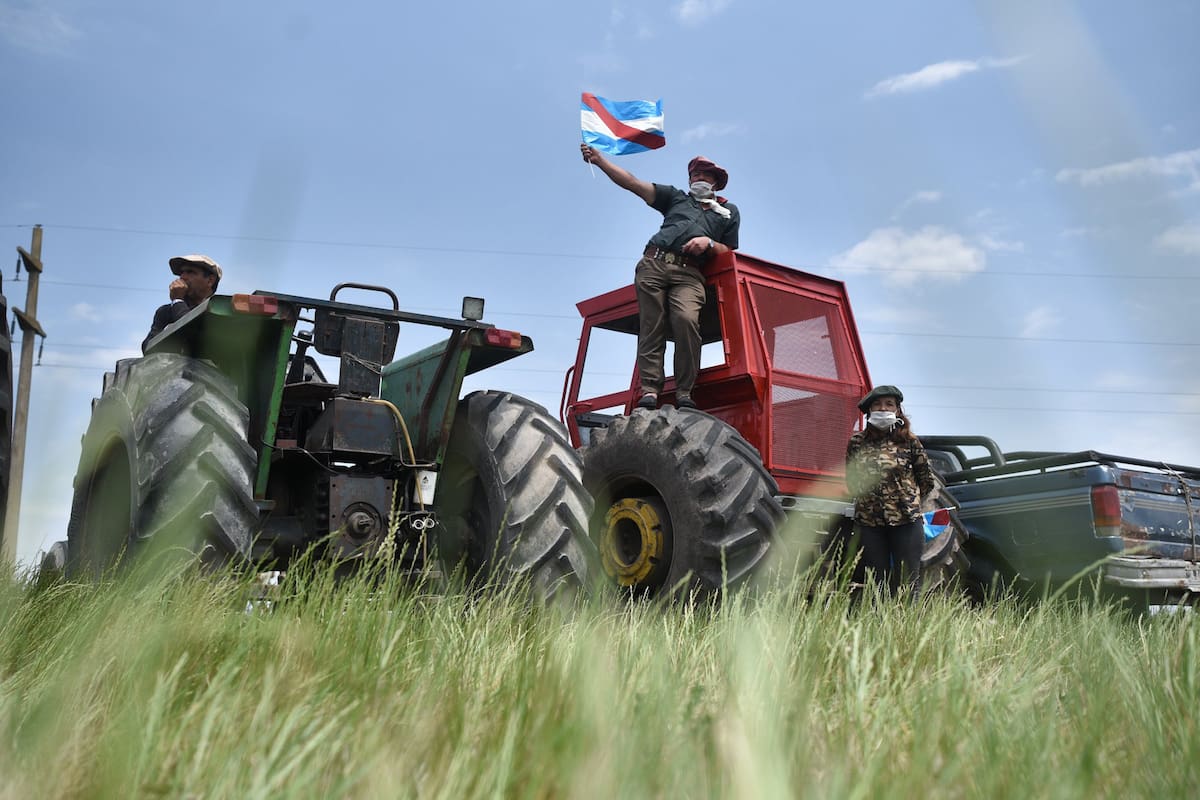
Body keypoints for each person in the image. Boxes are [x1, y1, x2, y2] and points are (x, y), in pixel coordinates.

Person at [580, 143, 740, 410]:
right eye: (695, 174)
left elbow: (730, 250)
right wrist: (599, 161)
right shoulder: (676, 198)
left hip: (690, 274)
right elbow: (633, 183)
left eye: (705, 174)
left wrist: (708, 244)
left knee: (686, 321)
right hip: (654, 264)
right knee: (652, 325)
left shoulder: (728, 212)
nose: (699, 178)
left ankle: (685, 391)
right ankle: (650, 390)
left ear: (716, 182)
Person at [844, 384, 936, 597]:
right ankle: (879, 626)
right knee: (877, 585)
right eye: (877, 404)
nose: (883, 409)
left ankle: (906, 626)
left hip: (906, 522)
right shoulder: (857, 443)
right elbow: (852, 480)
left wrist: (907, 501)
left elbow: (926, 480)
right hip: (870, 524)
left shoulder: (910, 441)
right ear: (869, 411)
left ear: (898, 410)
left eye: (889, 404)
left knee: (908, 583)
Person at [142, 254, 222, 353]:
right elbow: (147, 348)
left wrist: (178, 300)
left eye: (190, 272)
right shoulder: (166, 312)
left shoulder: (217, 311)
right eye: (182, 272)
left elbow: (190, 333)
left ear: (210, 280)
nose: (182, 277)